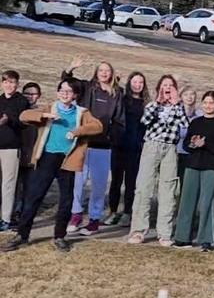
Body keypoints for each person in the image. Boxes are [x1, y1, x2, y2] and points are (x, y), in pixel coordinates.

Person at [1, 79, 103, 253]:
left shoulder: (81, 112)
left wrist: (76, 132)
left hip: (68, 160)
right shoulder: (51, 108)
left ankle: (59, 237)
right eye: (62, 90)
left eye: (69, 91)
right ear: (57, 93)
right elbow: (24, 116)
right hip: (47, 157)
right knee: (33, 197)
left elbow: (97, 126)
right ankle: (22, 235)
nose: (65, 94)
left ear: (75, 95)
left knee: (66, 200)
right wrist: (44, 116)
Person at [61, 57, 125, 235]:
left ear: (111, 74)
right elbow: (66, 83)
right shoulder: (87, 88)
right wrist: (70, 68)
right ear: (96, 73)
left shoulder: (116, 94)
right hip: (83, 142)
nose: (104, 73)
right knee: (78, 183)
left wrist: (111, 136)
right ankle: (76, 215)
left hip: (103, 146)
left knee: (98, 184)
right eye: (101, 70)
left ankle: (94, 219)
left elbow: (120, 120)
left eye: (107, 70)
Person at [127, 75, 190, 246]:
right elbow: (144, 121)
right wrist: (158, 103)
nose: (167, 88)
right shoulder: (152, 105)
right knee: (143, 187)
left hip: (170, 148)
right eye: (164, 85)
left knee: (168, 190)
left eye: (171, 86)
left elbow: (185, 125)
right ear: (159, 88)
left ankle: (164, 233)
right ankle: (138, 230)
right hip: (152, 146)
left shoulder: (178, 107)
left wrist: (177, 104)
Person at [172, 91, 214, 252]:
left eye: (211, 103)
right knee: (186, 201)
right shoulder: (196, 122)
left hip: (210, 166)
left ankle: (206, 239)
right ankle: (182, 237)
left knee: (207, 202)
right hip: (192, 165)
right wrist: (192, 144)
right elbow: (185, 146)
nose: (208, 106)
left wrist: (205, 145)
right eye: (205, 102)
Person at [106, 72, 148, 227]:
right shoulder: (122, 99)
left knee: (131, 182)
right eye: (135, 82)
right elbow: (112, 93)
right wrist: (116, 81)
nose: (137, 85)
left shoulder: (145, 103)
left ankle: (127, 212)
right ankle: (113, 211)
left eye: (140, 82)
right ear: (129, 83)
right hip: (118, 144)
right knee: (116, 181)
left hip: (135, 147)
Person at [0, 70, 30, 231]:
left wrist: (7, 119)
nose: (9, 85)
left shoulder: (21, 101)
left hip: (11, 147)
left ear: (17, 84)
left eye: (12, 82)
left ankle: (5, 218)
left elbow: (22, 122)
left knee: (8, 184)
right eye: (6, 82)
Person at [14, 82, 41, 223]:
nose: (30, 97)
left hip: (32, 158)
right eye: (27, 94)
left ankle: (24, 216)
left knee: (29, 190)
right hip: (17, 155)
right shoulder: (17, 111)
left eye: (34, 94)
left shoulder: (41, 114)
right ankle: (14, 214)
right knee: (14, 188)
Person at [173, 86, 200, 181]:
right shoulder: (175, 113)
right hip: (176, 153)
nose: (189, 97)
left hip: (193, 154)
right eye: (186, 94)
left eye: (192, 94)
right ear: (181, 97)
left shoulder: (199, 115)